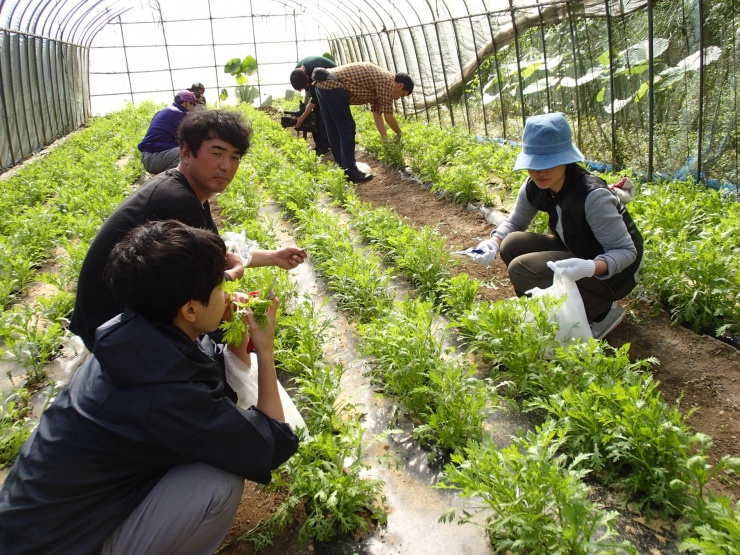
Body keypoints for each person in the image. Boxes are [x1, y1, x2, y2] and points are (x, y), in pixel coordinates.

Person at [0, 220, 299, 554]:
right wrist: (265, 347)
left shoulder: (132, 333)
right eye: (220, 286)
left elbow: (210, 366)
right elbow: (274, 442)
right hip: (62, 545)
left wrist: (230, 325)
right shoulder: (165, 393)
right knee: (219, 483)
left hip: (32, 526)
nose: (227, 292)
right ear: (189, 309)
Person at [70, 109, 307, 352]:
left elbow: (218, 254)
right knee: (224, 339)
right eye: (217, 153)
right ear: (185, 152)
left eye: (235, 157)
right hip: (114, 328)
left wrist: (273, 257)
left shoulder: (189, 192)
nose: (226, 166)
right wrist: (233, 277)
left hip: (123, 318)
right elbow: (200, 286)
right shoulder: (176, 200)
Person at [471, 112, 643, 339]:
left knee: (522, 269)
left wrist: (590, 267)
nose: (541, 172)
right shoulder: (536, 185)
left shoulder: (592, 196)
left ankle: (601, 312)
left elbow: (626, 252)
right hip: (578, 249)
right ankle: (546, 312)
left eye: (549, 163)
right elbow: (515, 222)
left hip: (616, 274)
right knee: (511, 244)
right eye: (535, 164)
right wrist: (492, 243)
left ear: (566, 160)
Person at [313, 62, 414, 183]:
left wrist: (385, 139)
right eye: (402, 95)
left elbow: (377, 114)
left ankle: (343, 166)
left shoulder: (380, 82)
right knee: (347, 128)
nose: (397, 98)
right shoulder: (388, 82)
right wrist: (399, 133)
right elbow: (388, 116)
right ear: (400, 86)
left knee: (333, 128)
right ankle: (351, 171)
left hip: (322, 86)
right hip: (333, 86)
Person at [137, 90, 197, 174]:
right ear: (187, 103)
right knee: (188, 153)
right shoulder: (178, 114)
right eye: (193, 104)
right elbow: (193, 138)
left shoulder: (167, 111)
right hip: (154, 157)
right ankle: (170, 182)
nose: (193, 108)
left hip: (151, 156)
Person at [289, 55, 337, 155]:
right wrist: (304, 107)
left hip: (333, 82)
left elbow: (315, 99)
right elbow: (307, 90)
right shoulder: (298, 73)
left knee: (322, 114)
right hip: (319, 80)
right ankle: (318, 145)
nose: (305, 87)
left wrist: (302, 118)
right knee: (314, 116)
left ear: (307, 77)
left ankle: (326, 146)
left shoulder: (316, 71)